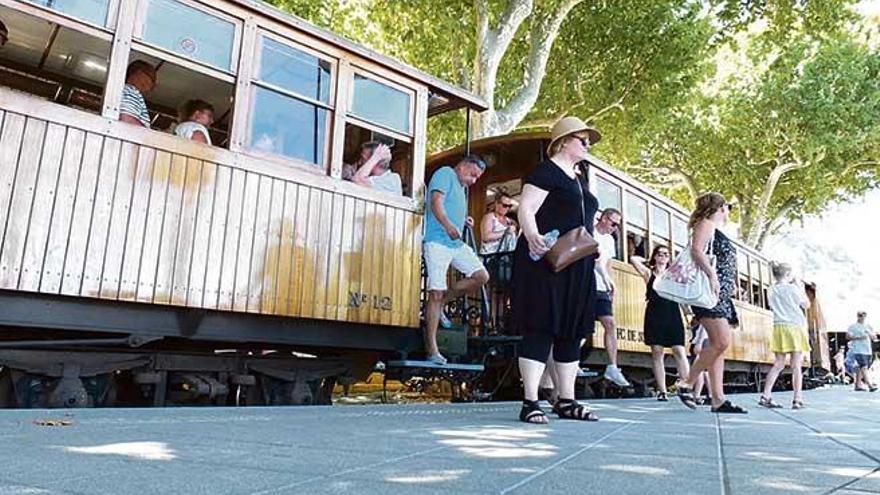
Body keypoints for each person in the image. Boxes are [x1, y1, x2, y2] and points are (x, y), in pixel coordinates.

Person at [512, 116, 602, 424]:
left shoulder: (578, 178)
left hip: (578, 264)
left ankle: (567, 400)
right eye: (583, 140)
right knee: (541, 326)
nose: (588, 145)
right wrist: (533, 235)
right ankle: (530, 402)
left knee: (571, 331)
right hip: (547, 262)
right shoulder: (546, 171)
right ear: (564, 142)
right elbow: (526, 208)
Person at [675, 192, 747, 413]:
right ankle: (686, 382)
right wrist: (713, 275)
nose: (728, 212)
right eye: (727, 207)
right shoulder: (705, 224)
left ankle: (718, 399)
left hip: (718, 295)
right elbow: (696, 250)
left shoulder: (713, 229)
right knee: (721, 342)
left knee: (717, 347)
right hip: (709, 294)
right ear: (721, 207)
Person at [422, 155, 490, 364]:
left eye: (478, 178)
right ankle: (432, 349)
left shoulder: (461, 187)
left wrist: (463, 220)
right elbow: (436, 202)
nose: (474, 180)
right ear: (463, 166)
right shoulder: (445, 174)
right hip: (437, 241)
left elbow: (452, 207)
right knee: (435, 291)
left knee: (481, 276)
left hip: (455, 244)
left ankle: (443, 302)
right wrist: (448, 225)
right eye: (473, 175)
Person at [630, 245, 690, 401]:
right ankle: (662, 391)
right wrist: (648, 260)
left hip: (673, 313)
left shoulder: (673, 276)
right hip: (655, 314)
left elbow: (681, 298)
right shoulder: (649, 274)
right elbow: (633, 259)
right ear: (655, 256)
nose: (663, 257)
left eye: (666, 255)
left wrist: (688, 316)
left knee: (679, 350)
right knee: (657, 352)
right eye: (660, 254)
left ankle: (687, 386)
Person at [758, 262, 811, 409]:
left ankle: (766, 395)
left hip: (779, 326)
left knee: (778, 364)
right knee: (796, 366)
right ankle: (797, 399)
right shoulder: (793, 288)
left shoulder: (771, 289)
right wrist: (800, 287)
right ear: (788, 275)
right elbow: (806, 305)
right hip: (794, 327)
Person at [594, 208, 630, 387]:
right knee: (581, 327)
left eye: (617, 225)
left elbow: (606, 264)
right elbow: (594, 261)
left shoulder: (609, 240)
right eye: (613, 223)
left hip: (602, 288)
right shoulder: (589, 231)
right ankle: (571, 361)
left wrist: (611, 284)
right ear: (603, 218)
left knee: (610, 323)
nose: (614, 228)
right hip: (587, 285)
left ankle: (612, 367)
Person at [119, 60, 157, 128]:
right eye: (151, 77)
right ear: (138, 72)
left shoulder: (124, 90)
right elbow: (127, 120)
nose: (151, 84)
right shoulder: (131, 91)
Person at [846, 311, 877, 392]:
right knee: (864, 367)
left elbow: (874, 337)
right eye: (860, 315)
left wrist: (870, 334)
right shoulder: (853, 326)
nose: (862, 317)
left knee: (861, 367)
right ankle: (869, 385)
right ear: (857, 316)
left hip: (867, 350)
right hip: (858, 349)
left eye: (863, 316)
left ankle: (857, 385)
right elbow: (848, 336)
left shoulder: (868, 326)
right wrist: (858, 337)